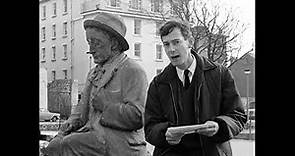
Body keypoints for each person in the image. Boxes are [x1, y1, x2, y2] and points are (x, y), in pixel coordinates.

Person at [43, 12, 148, 156]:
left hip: (120, 143)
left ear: (114, 44)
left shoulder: (132, 71)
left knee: (68, 144)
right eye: (89, 42)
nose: (91, 49)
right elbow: (80, 111)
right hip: (93, 137)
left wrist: (106, 106)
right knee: (54, 146)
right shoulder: (93, 73)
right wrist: (67, 126)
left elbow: (137, 117)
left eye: (97, 43)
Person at [144, 19, 247, 156]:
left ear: (190, 42)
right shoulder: (158, 84)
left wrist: (219, 126)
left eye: (176, 42)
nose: (171, 49)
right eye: (166, 44)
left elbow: (237, 116)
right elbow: (150, 128)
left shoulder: (220, 74)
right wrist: (165, 134)